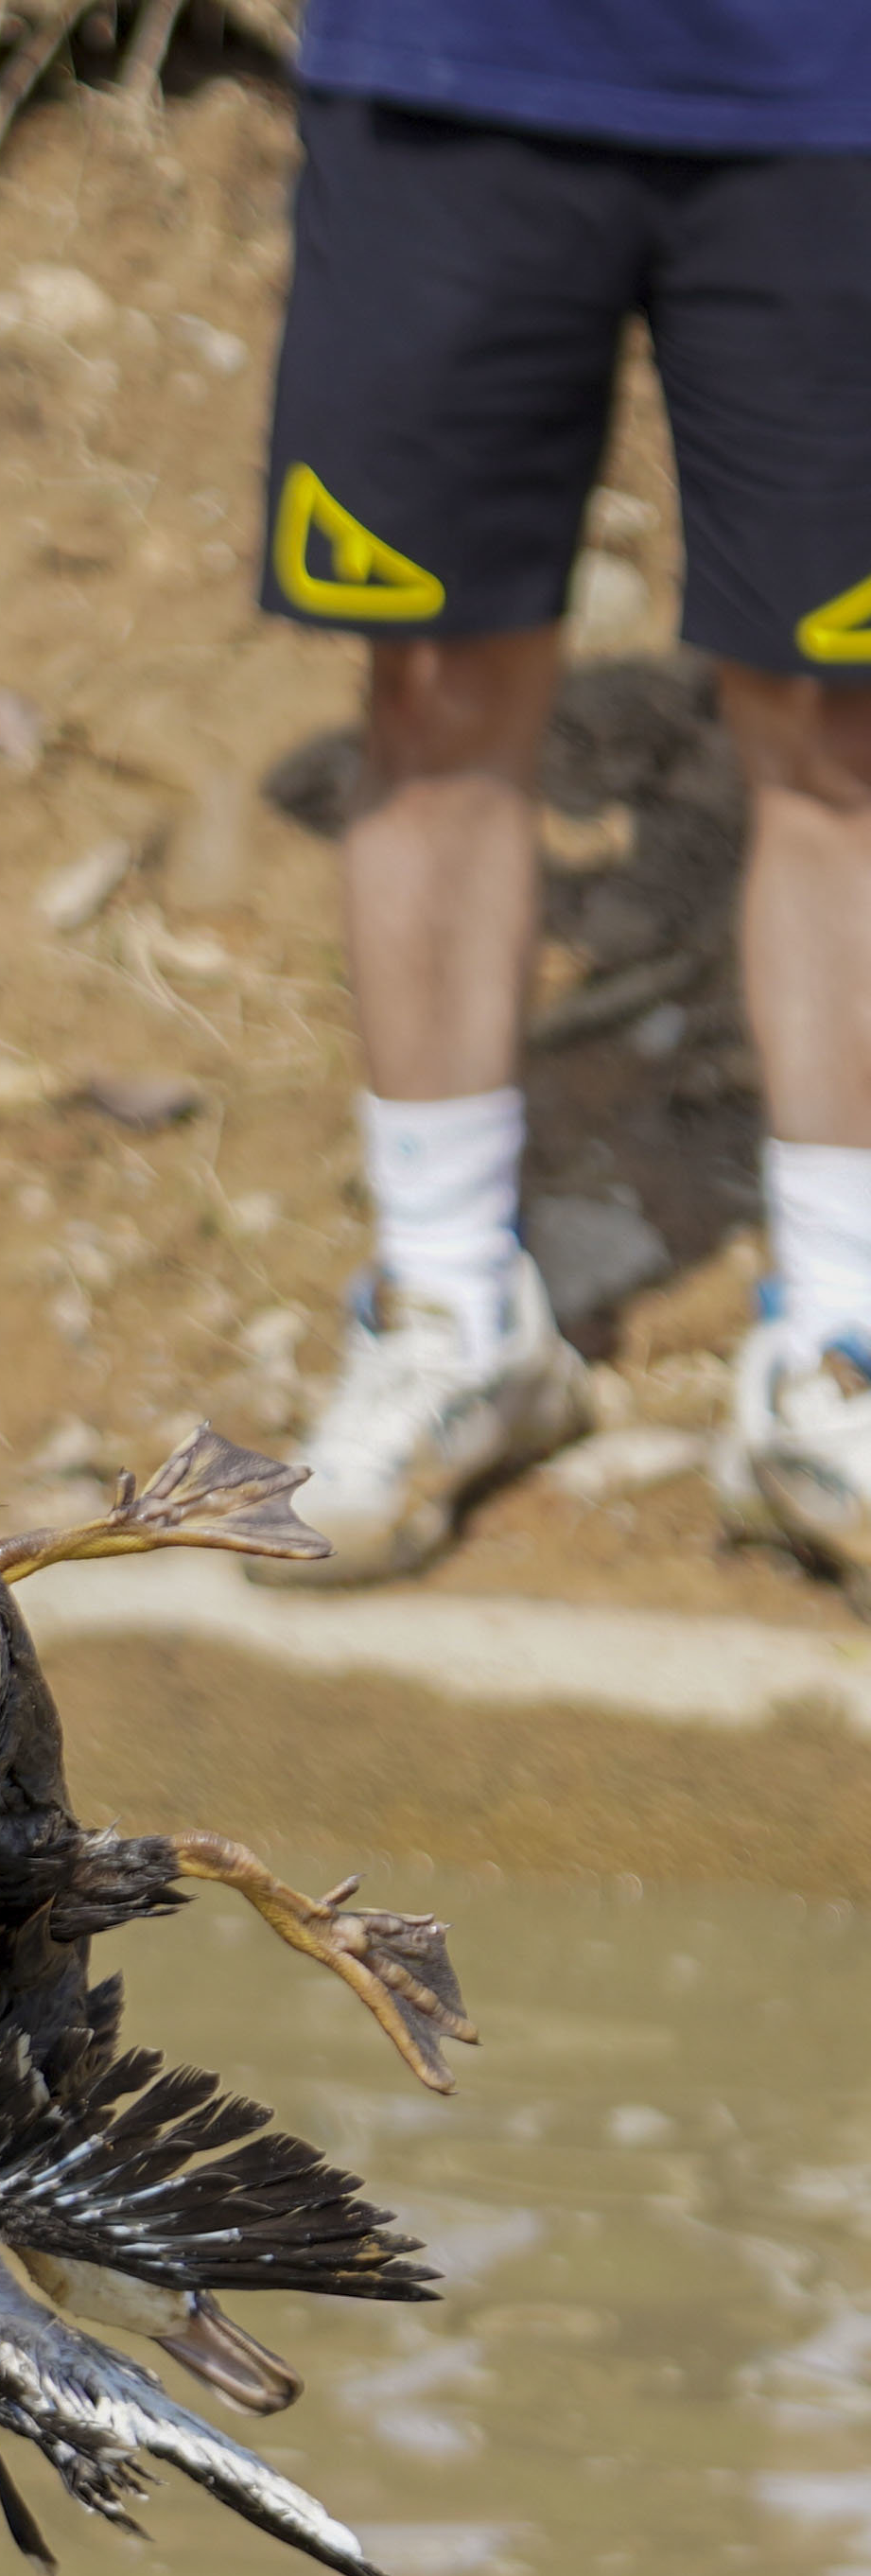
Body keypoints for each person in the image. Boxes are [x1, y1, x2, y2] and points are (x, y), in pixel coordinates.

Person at [249, 0, 871, 1590]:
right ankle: (456, 1312)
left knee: (841, 723)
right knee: (432, 692)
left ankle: (843, 1351)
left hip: (829, 80)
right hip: (459, 68)